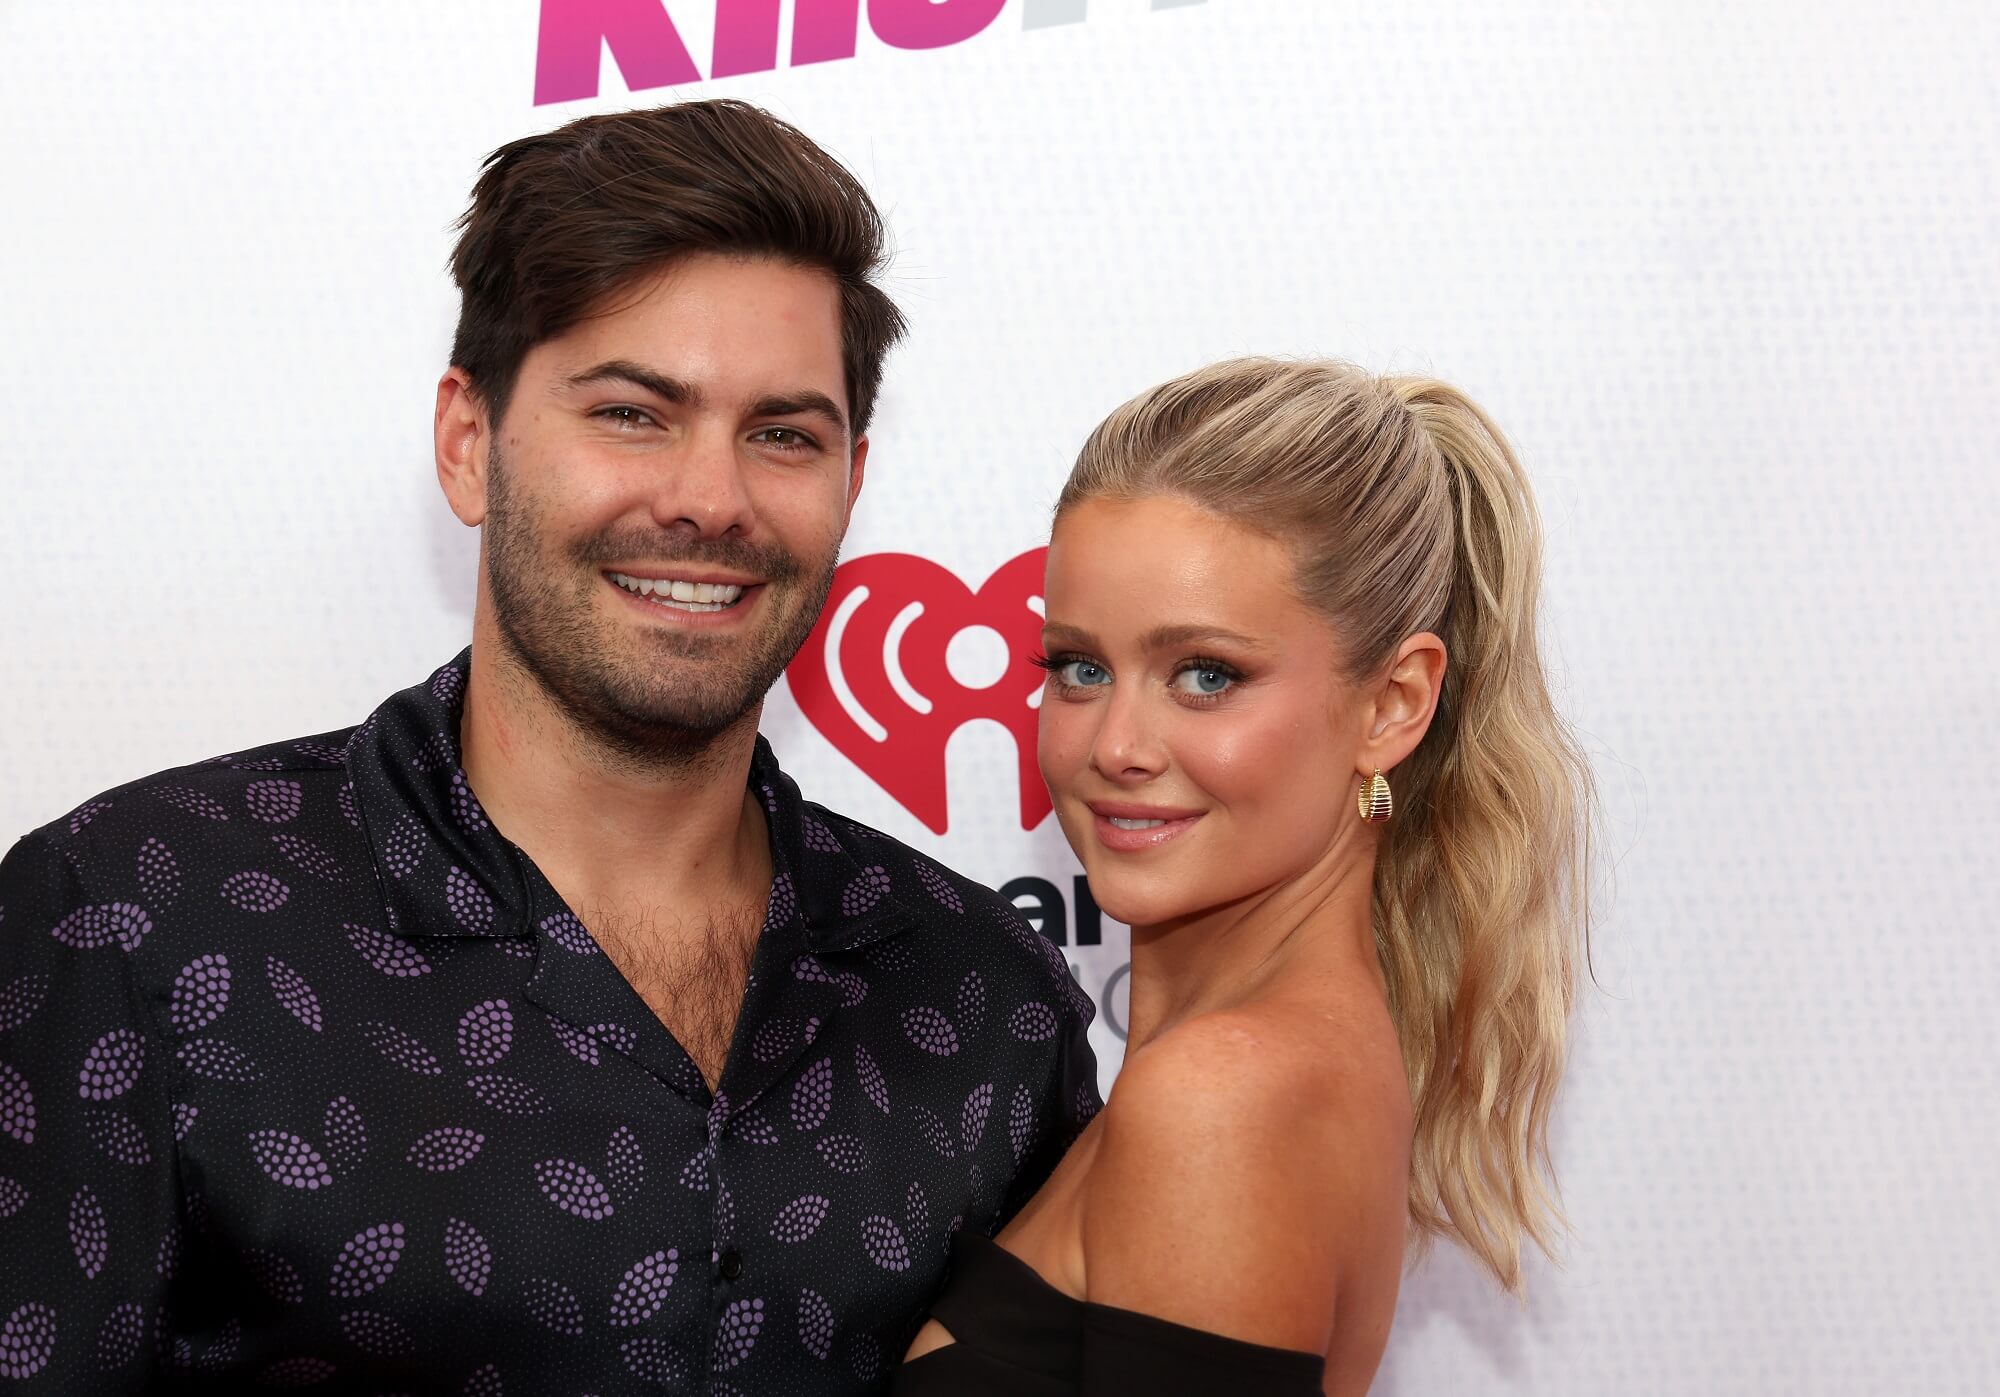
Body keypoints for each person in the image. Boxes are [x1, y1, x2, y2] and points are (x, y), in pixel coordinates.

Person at [0, 99, 1096, 1394]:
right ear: (469, 445)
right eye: (634, 413)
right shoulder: (134, 919)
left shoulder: (986, 997)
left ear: (853, 479)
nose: (710, 498)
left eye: (784, 434)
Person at [896, 358, 1595, 1395]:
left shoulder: (1221, 1096)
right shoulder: (1281, 1059)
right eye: (1079, 667)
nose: (1117, 744)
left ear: (1391, 704)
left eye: (1205, 675)